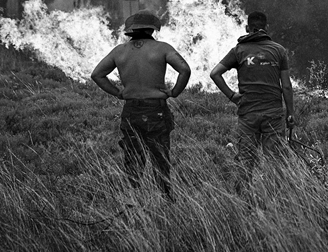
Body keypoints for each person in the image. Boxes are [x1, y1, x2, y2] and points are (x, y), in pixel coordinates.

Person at [91, 10, 191, 200]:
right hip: (156, 110)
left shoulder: (119, 51)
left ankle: (132, 201)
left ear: (130, 30)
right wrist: (174, 92)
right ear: (153, 29)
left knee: (133, 158)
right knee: (160, 158)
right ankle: (166, 199)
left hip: (131, 110)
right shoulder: (162, 48)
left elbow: (97, 75)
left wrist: (118, 92)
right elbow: (184, 69)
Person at [210, 11, 295, 194]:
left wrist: (232, 96)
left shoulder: (238, 51)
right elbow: (286, 86)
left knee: (246, 161)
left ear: (247, 28)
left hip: (248, 114)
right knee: (275, 161)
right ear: (267, 28)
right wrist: (290, 113)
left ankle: (243, 203)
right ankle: (276, 201)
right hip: (273, 113)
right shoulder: (279, 50)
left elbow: (215, 73)